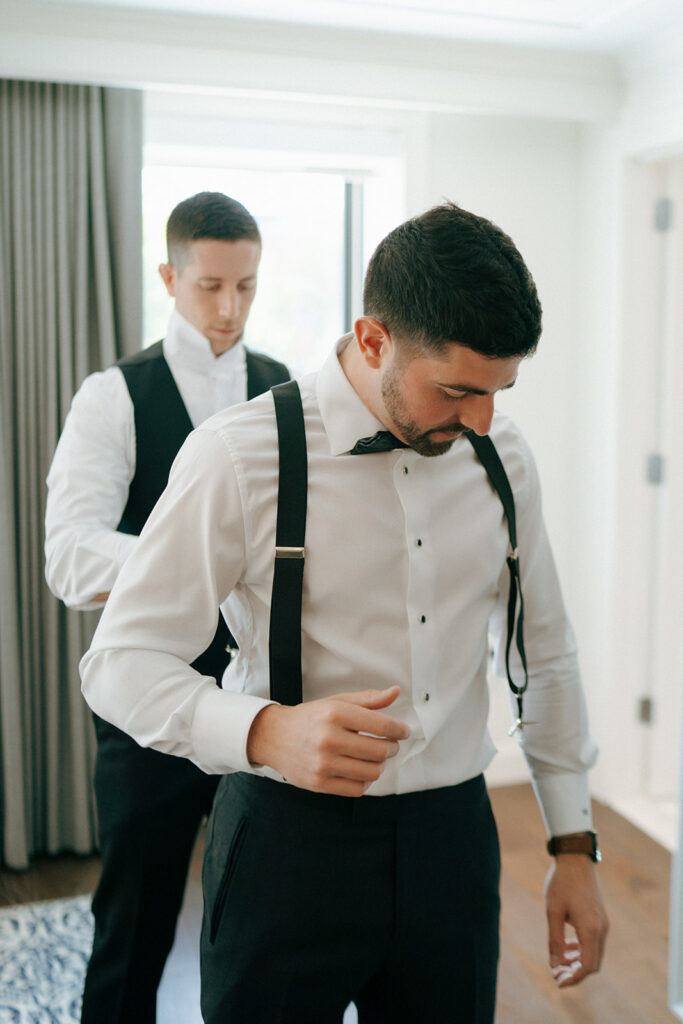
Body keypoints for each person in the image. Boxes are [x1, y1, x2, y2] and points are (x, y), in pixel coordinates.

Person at [80, 201, 609, 1024]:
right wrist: (260, 730)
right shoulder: (237, 455)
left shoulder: (502, 458)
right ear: (372, 341)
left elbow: (546, 650)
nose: (482, 421)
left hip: (452, 850)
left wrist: (573, 845)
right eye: (458, 391)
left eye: (499, 392)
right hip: (285, 852)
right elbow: (118, 663)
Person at [45, 191, 290, 1024]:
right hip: (147, 707)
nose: (229, 310)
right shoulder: (111, 396)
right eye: (211, 286)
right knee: (135, 929)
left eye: (247, 288)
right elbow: (70, 555)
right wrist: (192, 568)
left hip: (266, 708)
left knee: (263, 931)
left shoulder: (284, 392)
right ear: (169, 276)